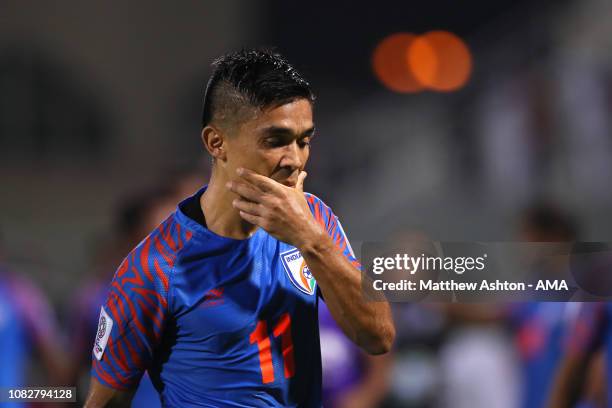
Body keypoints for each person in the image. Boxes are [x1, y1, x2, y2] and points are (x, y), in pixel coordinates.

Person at [84, 49, 395, 407]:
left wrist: (310, 239)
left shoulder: (316, 221)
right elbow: (105, 402)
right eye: (275, 140)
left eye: (303, 140)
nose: (293, 159)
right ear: (216, 143)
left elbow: (378, 337)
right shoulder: (154, 268)